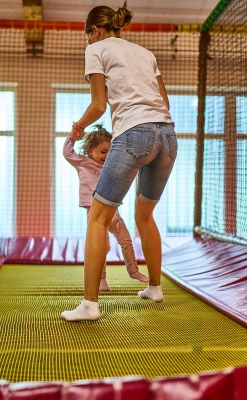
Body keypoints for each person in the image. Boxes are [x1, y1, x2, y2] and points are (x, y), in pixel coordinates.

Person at [61, 2, 177, 322]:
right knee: (145, 216)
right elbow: (164, 103)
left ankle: (89, 304)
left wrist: (77, 128)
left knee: (97, 219)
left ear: (95, 30)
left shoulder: (96, 48)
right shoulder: (145, 53)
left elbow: (99, 105)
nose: (88, 40)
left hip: (134, 135)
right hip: (167, 137)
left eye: (88, 35)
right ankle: (155, 287)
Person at [63, 123, 150, 291]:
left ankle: (133, 270)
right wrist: (72, 137)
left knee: (125, 240)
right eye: (103, 152)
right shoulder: (83, 162)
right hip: (94, 210)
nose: (107, 156)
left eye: (110, 152)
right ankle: (101, 279)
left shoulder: (111, 166)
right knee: (102, 245)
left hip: (111, 208)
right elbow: (68, 153)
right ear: (90, 151)